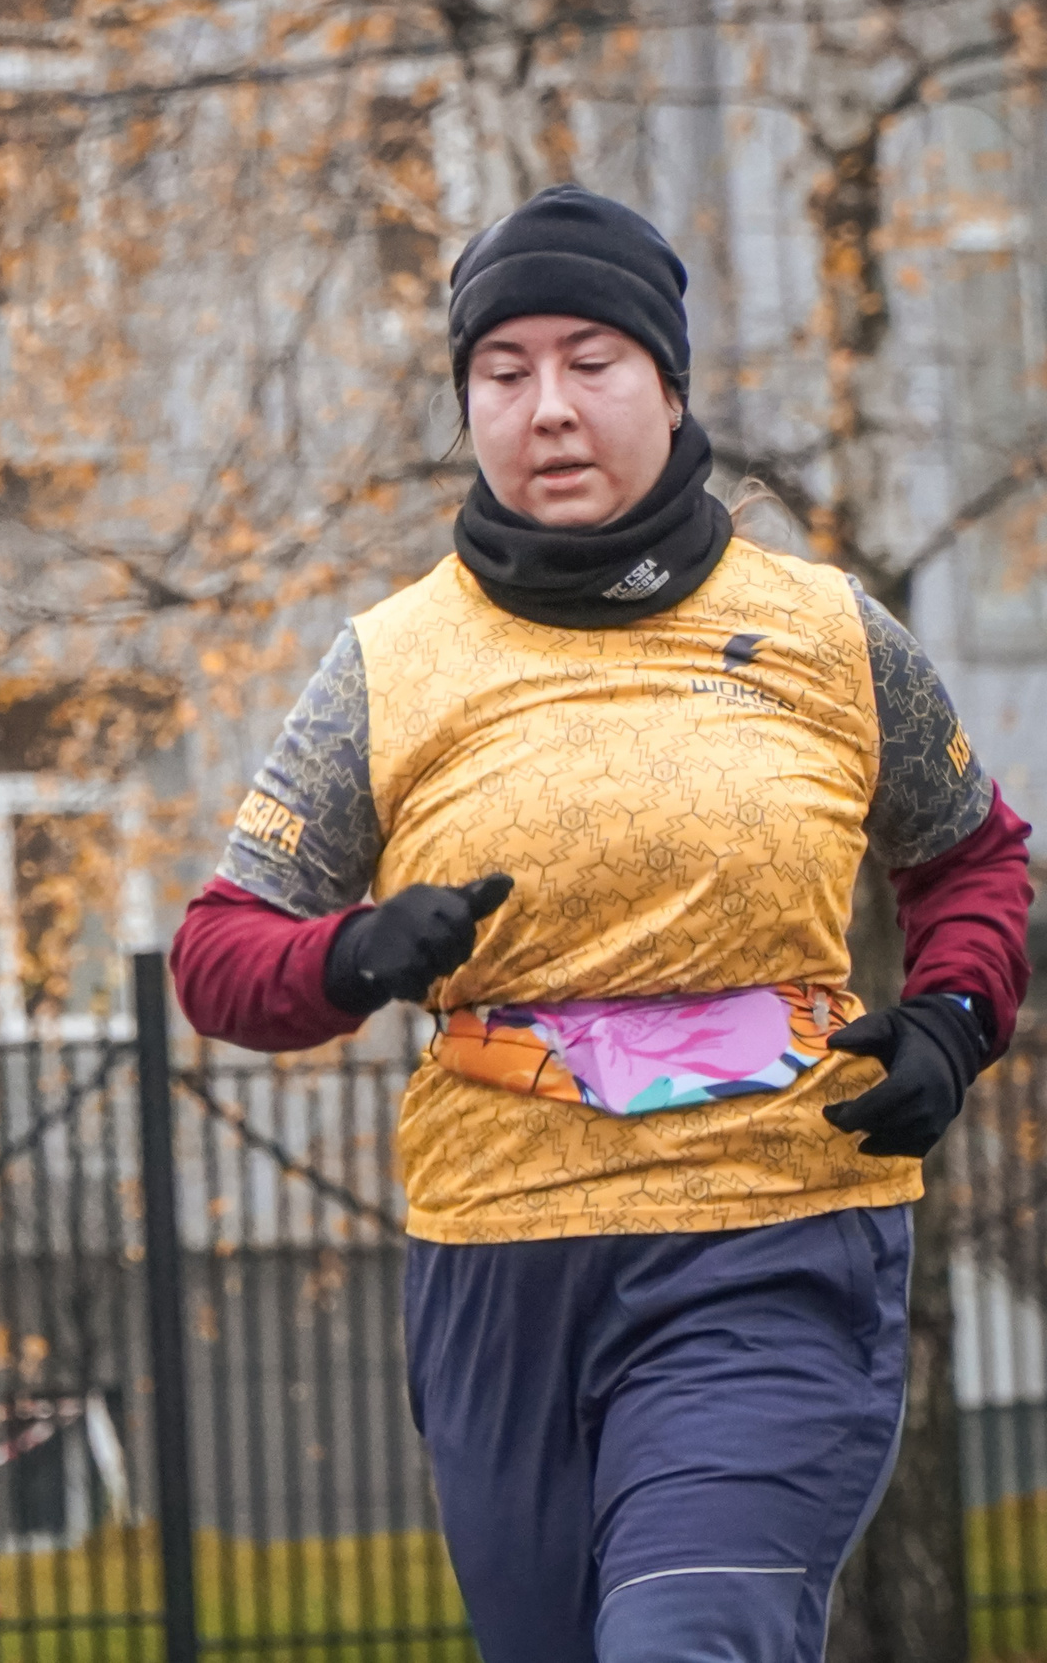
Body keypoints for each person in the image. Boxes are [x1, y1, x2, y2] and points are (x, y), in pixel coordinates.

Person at [171, 185, 1033, 1663]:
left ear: (670, 383)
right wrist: (354, 953)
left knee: (688, 1632)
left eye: (592, 361)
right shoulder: (391, 661)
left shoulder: (828, 631)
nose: (547, 410)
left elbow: (978, 861)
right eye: (502, 375)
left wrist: (956, 1020)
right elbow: (219, 953)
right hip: (500, 1257)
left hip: (774, 1230)